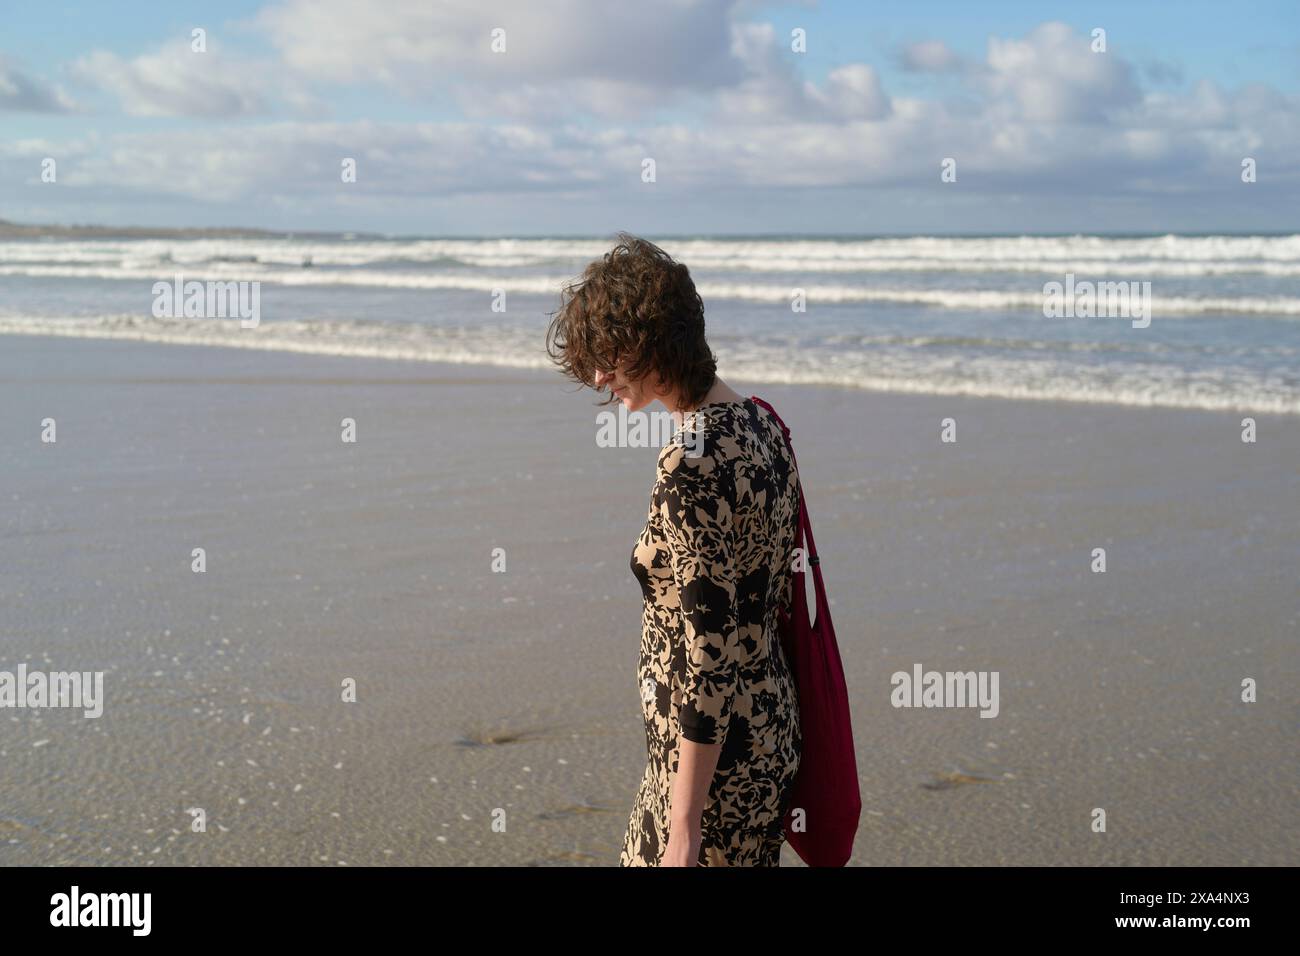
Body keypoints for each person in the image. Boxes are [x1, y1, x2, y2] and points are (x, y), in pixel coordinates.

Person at [545, 233, 802, 866]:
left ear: (654, 345)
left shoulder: (689, 465)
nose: (600, 377)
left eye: (610, 356)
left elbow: (707, 655)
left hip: (708, 773)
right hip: (769, 733)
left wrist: (682, 828)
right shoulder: (764, 425)